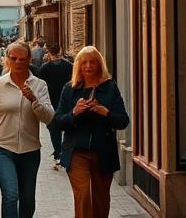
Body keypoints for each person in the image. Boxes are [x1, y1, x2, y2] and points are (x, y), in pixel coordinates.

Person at [0, 41, 54, 217]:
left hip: (30, 150)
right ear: (7, 60)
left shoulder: (39, 85)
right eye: (13, 58)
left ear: (29, 60)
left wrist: (34, 101)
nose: (18, 62)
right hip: (3, 149)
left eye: (22, 59)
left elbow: (49, 117)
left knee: (27, 200)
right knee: (11, 195)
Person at [53, 45, 130, 218]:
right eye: (84, 63)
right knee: (84, 196)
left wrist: (105, 112)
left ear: (99, 65)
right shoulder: (69, 89)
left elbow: (123, 121)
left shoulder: (110, 88)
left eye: (93, 62)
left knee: (101, 201)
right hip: (76, 152)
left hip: (103, 152)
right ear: (78, 65)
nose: (88, 66)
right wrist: (74, 112)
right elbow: (58, 122)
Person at [36, 44, 73, 170]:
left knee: (54, 130)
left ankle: (58, 153)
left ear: (48, 52)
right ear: (61, 50)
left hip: (51, 102)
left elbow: (39, 86)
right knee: (68, 129)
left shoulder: (44, 68)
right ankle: (66, 153)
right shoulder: (69, 66)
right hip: (67, 102)